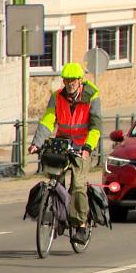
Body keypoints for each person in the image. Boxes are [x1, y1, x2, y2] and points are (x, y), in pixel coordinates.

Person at [28, 62, 101, 243]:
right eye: (67, 80)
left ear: (80, 81)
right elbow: (48, 121)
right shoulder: (57, 96)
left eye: (73, 81)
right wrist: (36, 143)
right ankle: (59, 214)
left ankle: (81, 224)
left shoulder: (92, 96)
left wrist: (88, 147)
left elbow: (96, 127)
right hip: (62, 144)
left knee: (78, 184)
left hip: (83, 145)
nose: (69, 84)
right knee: (55, 180)